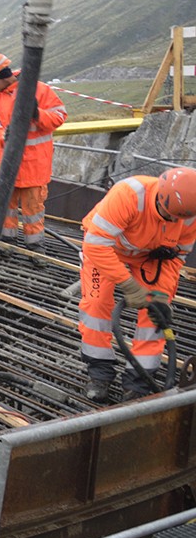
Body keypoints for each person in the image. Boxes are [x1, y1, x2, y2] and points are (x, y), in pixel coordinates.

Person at [79, 167, 196, 401]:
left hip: (149, 257)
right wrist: (128, 285)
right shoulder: (129, 194)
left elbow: (176, 259)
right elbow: (96, 246)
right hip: (105, 248)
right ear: (160, 197)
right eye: (169, 215)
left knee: (156, 314)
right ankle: (99, 372)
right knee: (96, 303)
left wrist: (162, 296)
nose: (174, 221)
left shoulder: (190, 215)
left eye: (178, 218)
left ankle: (139, 381)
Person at [0, 52, 67, 249]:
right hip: (6, 164)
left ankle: (35, 247)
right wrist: (3, 136)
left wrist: (37, 114)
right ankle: (6, 243)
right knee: (6, 207)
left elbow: (59, 116)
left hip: (34, 166)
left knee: (33, 208)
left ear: (2, 75)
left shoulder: (39, 90)